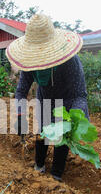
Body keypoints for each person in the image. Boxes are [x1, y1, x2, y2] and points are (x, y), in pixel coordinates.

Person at [6, 14, 90, 182]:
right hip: (44, 101)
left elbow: (79, 95)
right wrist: (21, 116)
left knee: (61, 138)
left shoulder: (70, 62)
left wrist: (72, 119)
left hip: (67, 103)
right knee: (41, 134)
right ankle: (39, 166)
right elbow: (21, 92)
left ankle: (56, 176)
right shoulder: (29, 64)